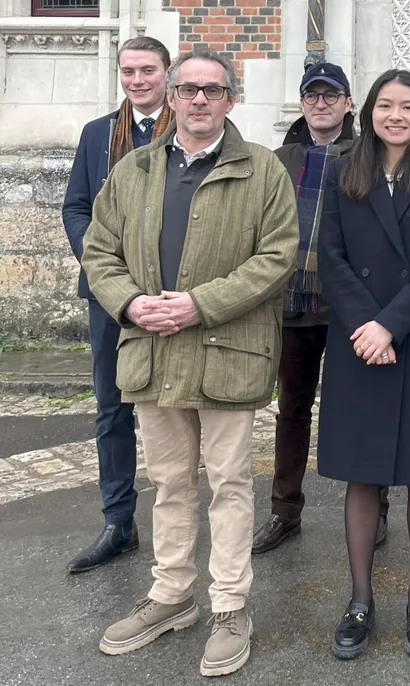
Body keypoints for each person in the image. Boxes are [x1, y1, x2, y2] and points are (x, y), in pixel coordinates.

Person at [82, 50, 298, 677]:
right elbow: (99, 250)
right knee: (171, 484)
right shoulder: (133, 170)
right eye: (188, 89)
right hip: (153, 350)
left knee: (229, 484)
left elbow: (278, 254)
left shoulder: (261, 170)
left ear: (232, 99)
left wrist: (200, 305)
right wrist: (129, 303)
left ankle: (230, 606)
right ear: (171, 97)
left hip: (226, 353)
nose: (200, 100)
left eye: (213, 90)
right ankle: (173, 594)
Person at [316, 69, 410, 662]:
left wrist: (390, 325)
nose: (396, 115)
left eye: (408, 106)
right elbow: (330, 256)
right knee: (364, 471)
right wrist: (365, 326)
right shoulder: (342, 169)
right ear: (371, 112)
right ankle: (359, 600)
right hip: (359, 341)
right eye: (386, 105)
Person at [252, 61, 390, 555]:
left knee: (361, 410)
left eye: (331, 95)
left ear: (348, 104)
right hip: (291, 305)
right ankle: (283, 510)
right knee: (291, 409)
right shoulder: (280, 158)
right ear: (302, 102)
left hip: (349, 307)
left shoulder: (368, 156)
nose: (321, 103)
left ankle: (376, 509)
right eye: (312, 95)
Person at [61, 35, 173, 574]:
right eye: (128, 71)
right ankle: (118, 521)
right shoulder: (98, 135)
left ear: (166, 73)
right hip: (109, 297)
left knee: (177, 408)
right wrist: (109, 274)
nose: (136, 80)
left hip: (170, 295)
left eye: (147, 70)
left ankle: (179, 526)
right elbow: (77, 210)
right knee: (113, 409)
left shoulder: (188, 128)